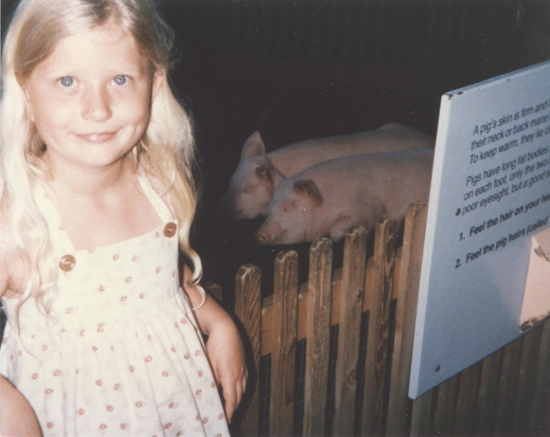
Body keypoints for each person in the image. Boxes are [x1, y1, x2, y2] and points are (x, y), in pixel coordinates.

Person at [0, 0, 247, 435]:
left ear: (153, 85)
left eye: (119, 79)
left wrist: (218, 321)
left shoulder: (159, 184)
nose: (98, 108)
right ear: (26, 93)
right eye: (67, 81)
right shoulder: (18, 216)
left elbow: (163, 282)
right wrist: (10, 411)